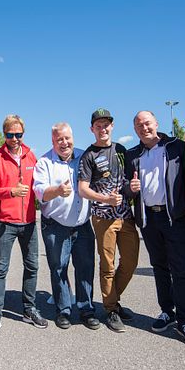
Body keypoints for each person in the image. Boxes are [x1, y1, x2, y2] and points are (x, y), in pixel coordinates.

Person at [125, 111, 185, 347]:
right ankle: (166, 311)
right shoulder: (133, 154)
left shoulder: (176, 147)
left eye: (147, 123)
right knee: (159, 267)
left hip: (173, 218)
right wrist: (131, 188)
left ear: (156, 124)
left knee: (180, 270)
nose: (144, 128)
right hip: (149, 220)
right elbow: (126, 188)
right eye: (139, 125)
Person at [0, 114, 47, 339]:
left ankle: (29, 309)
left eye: (18, 134)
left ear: (23, 134)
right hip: (5, 223)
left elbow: (41, 187)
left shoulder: (31, 157)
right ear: (4, 134)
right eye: (10, 135)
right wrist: (10, 191)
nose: (14, 138)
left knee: (32, 266)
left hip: (29, 222)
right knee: (0, 270)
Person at [33, 122, 100, 330]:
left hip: (83, 225)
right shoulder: (44, 162)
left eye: (67, 138)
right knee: (59, 268)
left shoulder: (84, 156)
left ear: (73, 137)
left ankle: (86, 309)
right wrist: (57, 190)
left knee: (86, 267)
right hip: (55, 225)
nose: (64, 143)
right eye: (59, 139)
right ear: (53, 141)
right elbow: (40, 191)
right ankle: (63, 310)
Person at [78, 108, 139, 333]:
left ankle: (112, 298)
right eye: (98, 126)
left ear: (112, 126)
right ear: (92, 129)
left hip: (126, 216)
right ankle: (111, 309)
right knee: (108, 265)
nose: (103, 129)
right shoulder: (89, 155)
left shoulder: (121, 150)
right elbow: (82, 189)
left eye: (106, 125)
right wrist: (105, 198)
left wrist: (131, 189)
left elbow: (127, 182)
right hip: (103, 217)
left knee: (131, 261)